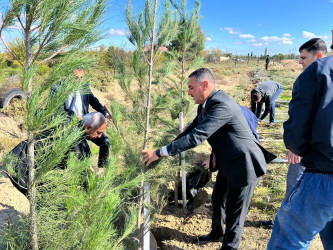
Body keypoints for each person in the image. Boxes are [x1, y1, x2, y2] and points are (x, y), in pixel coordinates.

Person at [141, 68, 275, 249]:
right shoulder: (205, 105)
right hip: (227, 161)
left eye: (190, 88)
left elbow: (197, 137)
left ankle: (229, 247)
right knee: (218, 199)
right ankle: (216, 234)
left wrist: (160, 152)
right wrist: (160, 154)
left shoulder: (221, 105)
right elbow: (189, 131)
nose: (188, 92)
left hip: (245, 164)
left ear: (204, 85)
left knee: (235, 213)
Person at [267, 55, 333, 249]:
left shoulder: (318, 70)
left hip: (324, 175)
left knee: (288, 240)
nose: (300, 62)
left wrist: (300, 150)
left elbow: (296, 131)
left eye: (303, 57)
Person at [4, 112, 107, 196]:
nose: (99, 136)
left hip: (18, 154)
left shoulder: (68, 115)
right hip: (22, 167)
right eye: (99, 132)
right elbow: (83, 175)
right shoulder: (77, 144)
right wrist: (95, 189)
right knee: (44, 203)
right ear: (88, 128)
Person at [286, 38, 327, 196]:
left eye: (303, 58)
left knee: (294, 184)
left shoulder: (311, 80)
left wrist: (297, 147)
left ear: (318, 56)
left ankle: (287, 220)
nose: (299, 62)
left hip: (310, 149)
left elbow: (306, 117)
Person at [62, 69, 111, 168]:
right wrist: (72, 115)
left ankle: (102, 167)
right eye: (76, 78)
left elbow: (94, 101)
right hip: (71, 125)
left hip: (87, 122)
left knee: (106, 142)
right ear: (69, 76)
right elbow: (57, 110)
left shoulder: (84, 87)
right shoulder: (60, 88)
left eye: (81, 78)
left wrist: (105, 113)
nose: (79, 80)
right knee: (84, 155)